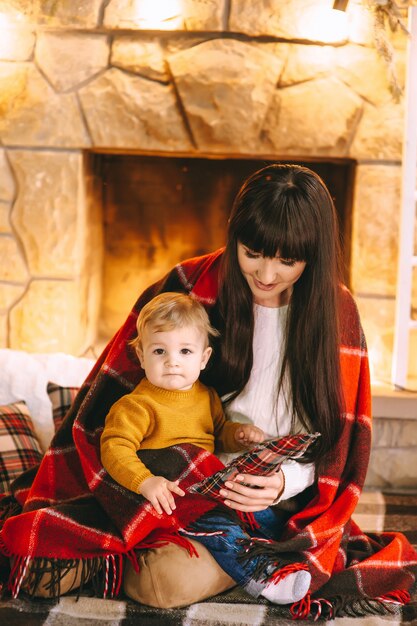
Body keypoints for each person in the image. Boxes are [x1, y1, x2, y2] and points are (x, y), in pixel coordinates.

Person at [1, 164, 416, 619]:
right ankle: (230, 558)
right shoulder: (191, 286)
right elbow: (112, 397)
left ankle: (234, 558)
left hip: (284, 498)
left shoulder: (336, 315)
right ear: (235, 236)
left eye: (287, 261)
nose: (267, 273)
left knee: (165, 581)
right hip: (187, 480)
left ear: (312, 255)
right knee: (155, 574)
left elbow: (339, 448)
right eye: (253, 253)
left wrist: (281, 483)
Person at [100, 291, 265, 515]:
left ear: (204, 358)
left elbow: (218, 433)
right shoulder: (136, 405)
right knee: (227, 534)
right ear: (141, 357)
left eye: (185, 351)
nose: (172, 362)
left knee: (262, 517)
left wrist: (237, 435)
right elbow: (114, 447)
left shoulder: (207, 397)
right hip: (165, 494)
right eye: (159, 351)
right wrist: (144, 481)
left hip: (203, 488)